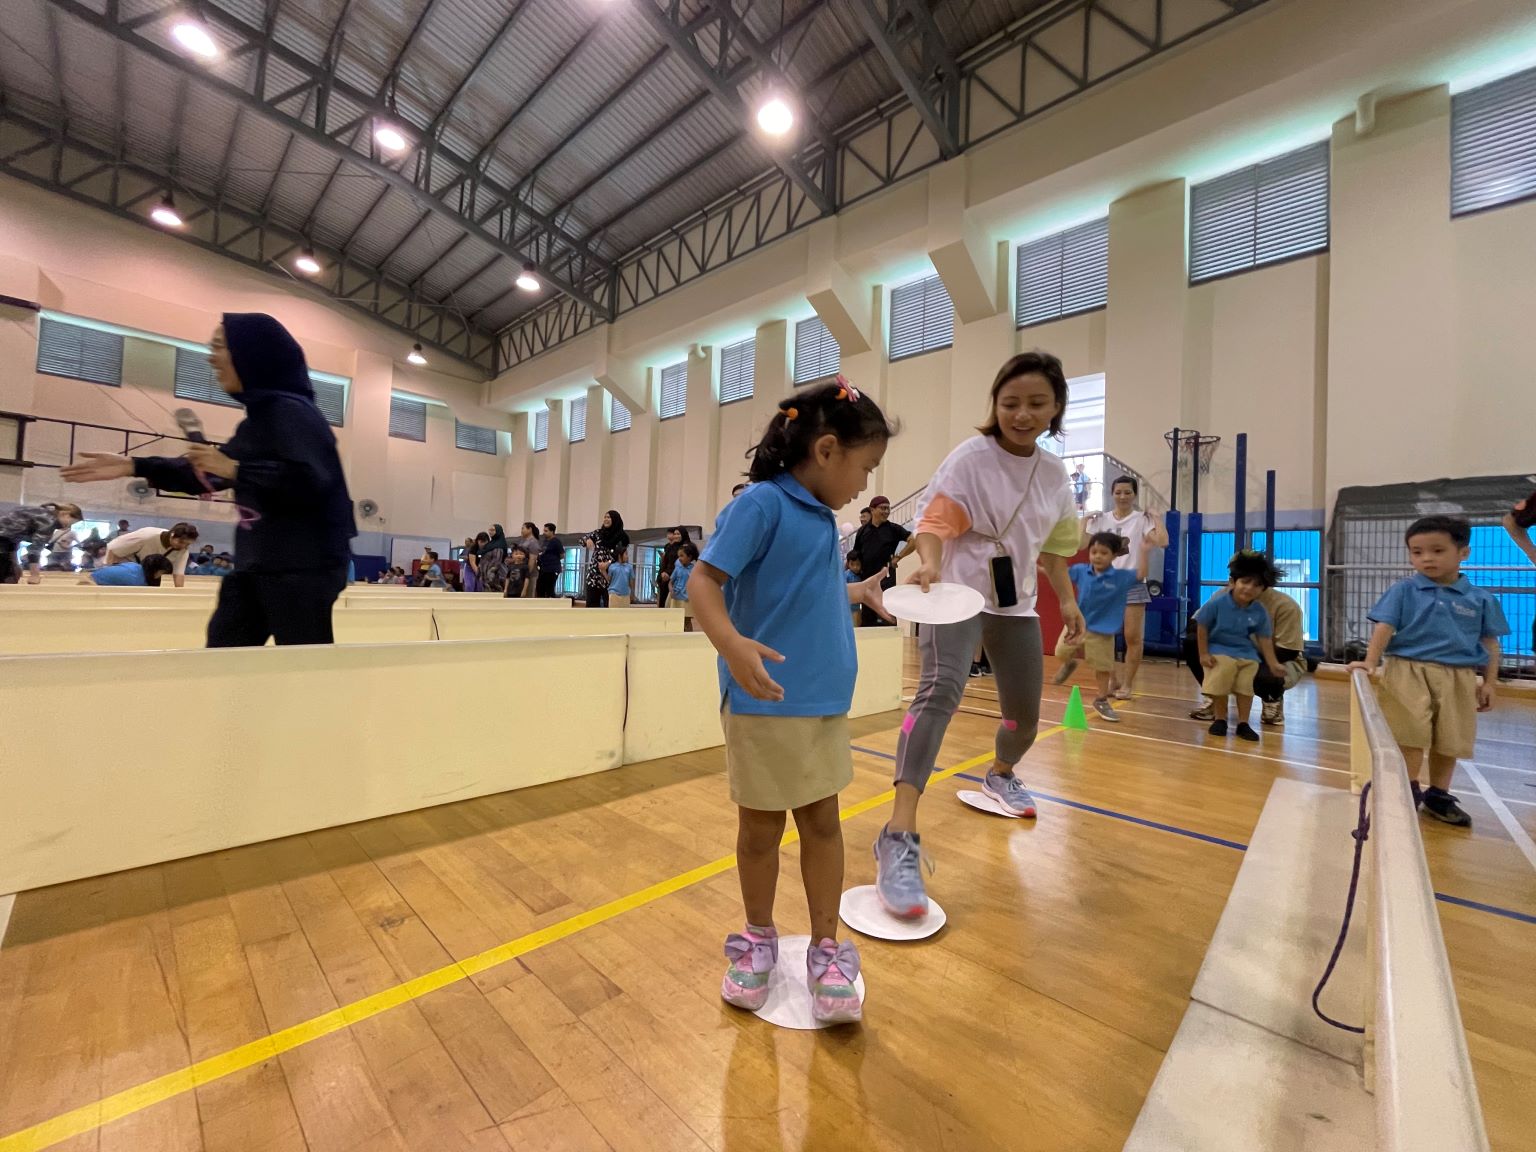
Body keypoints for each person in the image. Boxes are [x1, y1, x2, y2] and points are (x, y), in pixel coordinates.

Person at [689, 377, 894, 1026]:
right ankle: (757, 938)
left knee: (824, 825)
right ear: (828, 450)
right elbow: (703, 581)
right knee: (759, 830)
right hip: (764, 704)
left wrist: (859, 593)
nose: (865, 484)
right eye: (865, 467)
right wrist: (731, 644)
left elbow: (812, 589)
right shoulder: (761, 506)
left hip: (821, 703)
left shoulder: (818, 518)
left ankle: (827, 951)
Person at [882, 351, 1086, 919]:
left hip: (1015, 604)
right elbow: (934, 524)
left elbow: (1054, 550)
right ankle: (898, 834)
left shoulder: (1052, 474)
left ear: (1056, 409)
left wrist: (1067, 602)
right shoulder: (970, 459)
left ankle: (1000, 774)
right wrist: (927, 563)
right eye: (1010, 402)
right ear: (994, 405)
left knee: (1023, 714)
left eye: (1036, 404)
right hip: (956, 592)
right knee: (938, 692)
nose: (1022, 414)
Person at [61, 313, 356, 646]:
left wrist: (236, 471)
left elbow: (311, 481)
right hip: (262, 564)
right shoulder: (259, 422)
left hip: (303, 567)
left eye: (219, 347)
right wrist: (136, 465)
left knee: (304, 660)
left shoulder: (293, 412)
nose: (211, 357)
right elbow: (208, 473)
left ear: (253, 355)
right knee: (226, 646)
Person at [1349, 516, 1508, 828]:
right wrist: (1371, 661)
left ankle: (1439, 795)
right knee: (1410, 734)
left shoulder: (1481, 599)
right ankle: (1407, 790)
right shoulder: (1404, 590)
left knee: (1450, 738)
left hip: (1459, 675)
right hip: (1407, 669)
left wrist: (1489, 682)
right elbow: (1385, 626)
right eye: (1417, 552)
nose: (1426, 559)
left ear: (1464, 553)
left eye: (1437, 550)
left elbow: (1490, 642)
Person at [1082, 475, 1168, 699]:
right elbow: (1080, 544)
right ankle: (1112, 679)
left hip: (1132, 582)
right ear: (1112, 494)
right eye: (1118, 492)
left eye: (1127, 492)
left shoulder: (1142, 519)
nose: (1122, 496)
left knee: (1132, 637)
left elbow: (1163, 541)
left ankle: (1128, 685)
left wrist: (1157, 518)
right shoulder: (1102, 519)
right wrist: (1083, 520)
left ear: (1134, 495)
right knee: (1102, 635)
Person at [1188, 564, 1306, 725]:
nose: (1249, 588)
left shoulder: (1286, 606)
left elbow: (1288, 652)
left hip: (1277, 657)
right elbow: (1195, 625)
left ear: (1265, 586)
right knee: (1191, 643)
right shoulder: (1221, 597)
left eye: (1257, 584)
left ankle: (1272, 698)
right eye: (1245, 581)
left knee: (1265, 673)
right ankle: (1214, 696)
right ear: (1232, 581)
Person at [1052, 532, 1140, 721]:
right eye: (1094, 552)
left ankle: (1101, 699)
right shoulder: (1081, 570)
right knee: (1060, 651)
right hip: (1077, 623)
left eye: (1103, 553)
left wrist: (1146, 550)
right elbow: (1059, 572)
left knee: (1102, 667)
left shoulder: (1119, 577)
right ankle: (1069, 663)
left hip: (1102, 630)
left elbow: (1141, 574)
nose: (1098, 556)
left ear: (1114, 556)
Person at [853, 495, 915, 626]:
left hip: (887, 582)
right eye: (883, 508)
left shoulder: (894, 529)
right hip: (867, 583)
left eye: (888, 508)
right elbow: (856, 554)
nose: (886, 511)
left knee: (887, 617)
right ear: (872, 510)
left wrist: (898, 557)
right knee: (867, 621)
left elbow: (913, 541)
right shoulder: (862, 531)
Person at [0, 502, 83, 584]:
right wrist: (34, 575)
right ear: (65, 514)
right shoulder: (49, 521)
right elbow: (35, 550)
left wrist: (15, 564)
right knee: (7, 578)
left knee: (12, 575)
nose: (68, 526)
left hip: (6, 540)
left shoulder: (42, 512)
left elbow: (12, 538)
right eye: (71, 523)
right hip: (3, 540)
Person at [102, 522, 199, 589]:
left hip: (150, 573)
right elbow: (112, 548)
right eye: (181, 542)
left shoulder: (183, 550)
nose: (183, 546)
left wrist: (180, 595)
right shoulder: (147, 535)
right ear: (172, 534)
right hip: (127, 567)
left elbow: (178, 574)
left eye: (187, 544)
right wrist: (107, 572)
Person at [583, 510, 630, 609]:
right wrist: (588, 539)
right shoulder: (598, 533)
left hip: (611, 577)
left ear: (615, 519)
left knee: (609, 607)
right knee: (591, 607)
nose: (606, 519)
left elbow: (620, 555)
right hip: (594, 576)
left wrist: (608, 563)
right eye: (605, 517)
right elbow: (581, 540)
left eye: (609, 517)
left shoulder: (622, 537)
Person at [86, 554, 175, 587]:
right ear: (156, 570)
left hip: (91, 579)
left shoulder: (135, 567)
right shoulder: (137, 580)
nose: (160, 576)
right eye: (161, 572)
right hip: (91, 585)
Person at [656, 526, 691, 608]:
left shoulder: (688, 547)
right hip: (666, 578)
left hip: (679, 579)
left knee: (678, 606)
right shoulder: (670, 547)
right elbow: (665, 562)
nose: (676, 536)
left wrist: (669, 574)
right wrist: (662, 574)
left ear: (683, 534)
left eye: (678, 534)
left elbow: (683, 564)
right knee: (664, 604)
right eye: (674, 534)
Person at [672, 543, 700, 629]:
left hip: (687, 599)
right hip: (677, 597)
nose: (679, 558)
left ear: (690, 557)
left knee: (686, 620)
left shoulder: (694, 569)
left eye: (682, 556)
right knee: (677, 620)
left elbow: (696, 584)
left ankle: (689, 638)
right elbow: (671, 581)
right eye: (678, 556)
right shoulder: (677, 568)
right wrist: (671, 590)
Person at [536, 523, 564, 598]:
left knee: (549, 589)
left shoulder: (556, 541)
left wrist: (552, 560)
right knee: (540, 588)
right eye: (544, 530)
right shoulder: (544, 541)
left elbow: (562, 555)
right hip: (543, 569)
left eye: (546, 531)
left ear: (552, 531)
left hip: (552, 569)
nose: (544, 532)